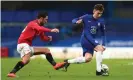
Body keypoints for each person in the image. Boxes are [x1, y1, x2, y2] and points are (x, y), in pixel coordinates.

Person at [7, 11, 65, 78]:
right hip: (23, 44)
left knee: (46, 50)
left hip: (27, 45)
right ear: (41, 18)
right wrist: (51, 30)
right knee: (26, 60)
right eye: (46, 19)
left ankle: (55, 65)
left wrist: (48, 38)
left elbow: (43, 38)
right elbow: (39, 28)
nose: (46, 21)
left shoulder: (40, 27)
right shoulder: (33, 23)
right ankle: (11, 73)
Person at [63, 4, 109, 76]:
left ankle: (68, 62)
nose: (99, 15)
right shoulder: (86, 17)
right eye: (98, 13)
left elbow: (103, 34)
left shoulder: (101, 21)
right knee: (100, 49)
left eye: (101, 14)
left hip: (91, 40)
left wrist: (104, 44)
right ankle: (98, 71)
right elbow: (74, 20)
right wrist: (76, 22)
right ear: (94, 11)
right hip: (85, 39)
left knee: (88, 59)